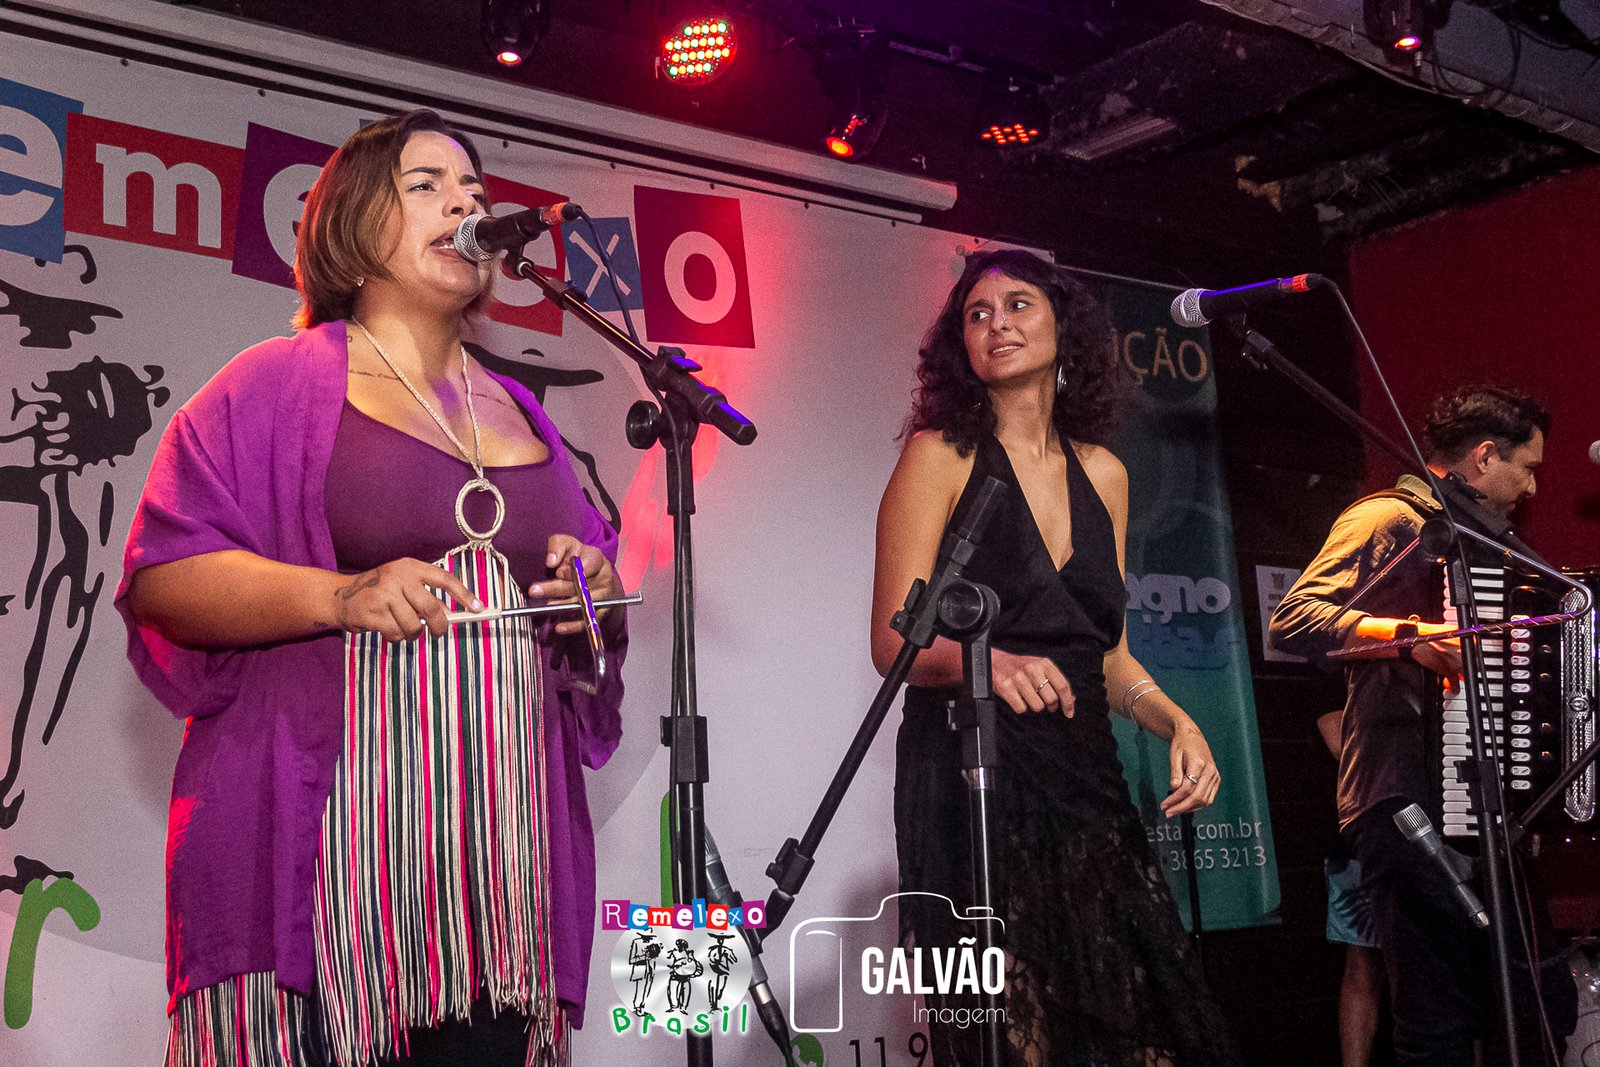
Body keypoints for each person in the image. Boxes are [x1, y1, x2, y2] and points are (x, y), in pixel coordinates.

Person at [116, 109, 626, 1067]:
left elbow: (587, 635)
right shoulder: (275, 383)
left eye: (474, 190)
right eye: (426, 186)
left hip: (492, 897)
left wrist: (587, 591)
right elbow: (165, 578)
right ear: (352, 222)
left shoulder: (523, 411)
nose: (465, 205)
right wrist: (338, 597)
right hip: (326, 882)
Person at [871, 248, 1239, 1066]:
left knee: (1152, 1031)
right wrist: (990, 662)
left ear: (1063, 326)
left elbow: (1109, 655)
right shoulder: (940, 454)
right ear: (961, 346)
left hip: (1084, 779)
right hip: (973, 772)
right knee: (1017, 1039)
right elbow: (894, 640)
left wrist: (1174, 719)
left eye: (1018, 305)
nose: (996, 323)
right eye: (977, 314)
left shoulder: (1104, 473)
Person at [1270, 385, 1574, 1065]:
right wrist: (1409, 637)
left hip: (1480, 810)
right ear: (1485, 456)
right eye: (1527, 468)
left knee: (1535, 1006)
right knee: (1435, 1020)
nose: (1531, 488)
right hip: (1403, 797)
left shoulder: (1484, 541)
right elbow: (1293, 619)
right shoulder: (1388, 517)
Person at [1318, 711, 1386, 1067]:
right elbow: (1331, 730)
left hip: (1443, 833)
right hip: (1366, 836)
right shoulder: (1366, 684)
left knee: (1452, 968)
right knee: (1362, 965)